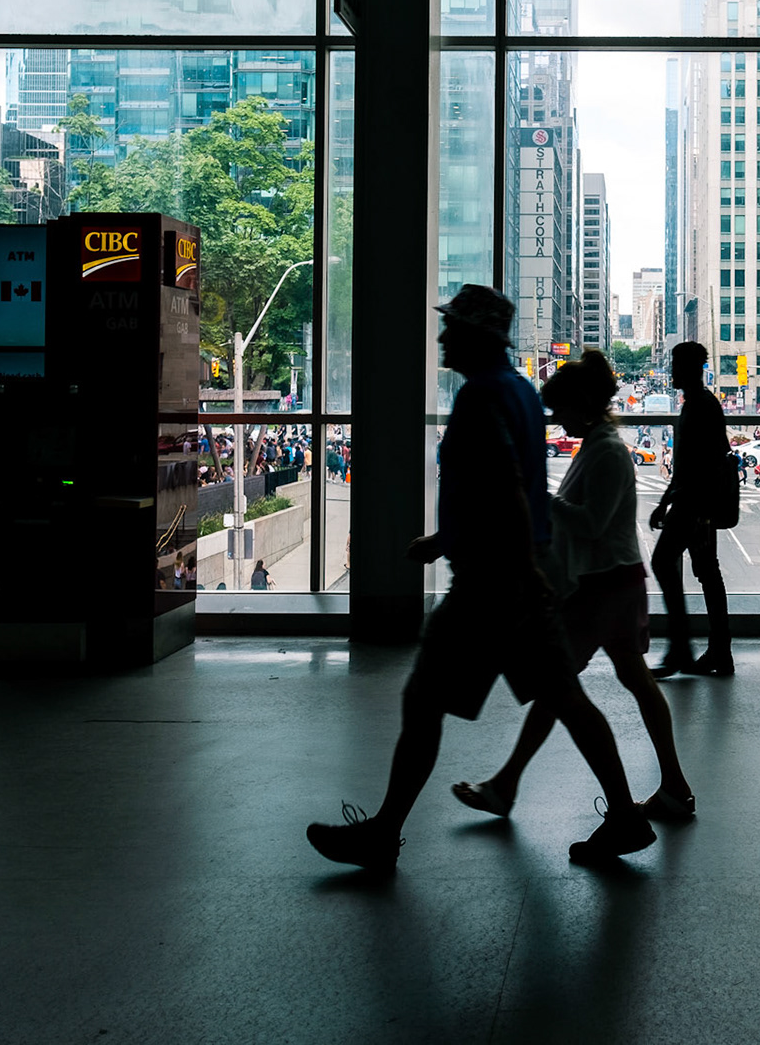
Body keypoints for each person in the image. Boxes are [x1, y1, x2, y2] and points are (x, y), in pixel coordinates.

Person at [307, 285, 654, 870]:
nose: (442, 336)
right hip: (522, 575)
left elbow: (509, 492)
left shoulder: (481, 396)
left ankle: (383, 834)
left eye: (451, 328)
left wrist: (506, 568)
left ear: (476, 337)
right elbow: (504, 485)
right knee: (565, 696)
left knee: (423, 699)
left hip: (493, 583)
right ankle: (623, 815)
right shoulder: (517, 390)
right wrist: (453, 542)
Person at [451, 350, 697, 824]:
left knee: (556, 685)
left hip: (600, 589)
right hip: (615, 583)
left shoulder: (606, 451)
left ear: (582, 403)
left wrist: (539, 498)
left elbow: (590, 524)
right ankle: (673, 785)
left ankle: (508, 785)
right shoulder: (600, 445)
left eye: (561, 410)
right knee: (623, 682)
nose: (557, 421)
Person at [648, 341, 735, 678]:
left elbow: (695, 466)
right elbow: (690, 464)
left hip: (694, 505)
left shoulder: (700, 406)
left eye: (675, 365)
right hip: (695, 503)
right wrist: (664, 502)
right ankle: (716, 650)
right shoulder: (700, 403)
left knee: (668, 563)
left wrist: (667, 503)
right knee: (707, 574)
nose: (671, 371)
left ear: (689, 368)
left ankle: (686, 647)